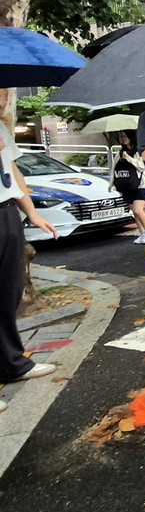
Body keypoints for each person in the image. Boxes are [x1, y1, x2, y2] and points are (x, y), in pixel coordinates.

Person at [0, 89, 59, 414]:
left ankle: (12, 363)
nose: (4, 94)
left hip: (6, 211)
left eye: (6, 89)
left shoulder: (1, 127)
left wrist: (33, 212)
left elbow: (14, 173)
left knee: (8, 292)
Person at [111, 129, 145, 244]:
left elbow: (143, 166)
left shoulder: (138, 151)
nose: (122, 139)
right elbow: (114, 169)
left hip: (140, 184)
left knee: (138, 210)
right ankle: (142, 233)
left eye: (124, 136)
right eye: (121, 137)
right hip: (126, 185)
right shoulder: (120, 153)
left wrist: (129, 159)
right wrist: (111, 183)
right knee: (134, 211)